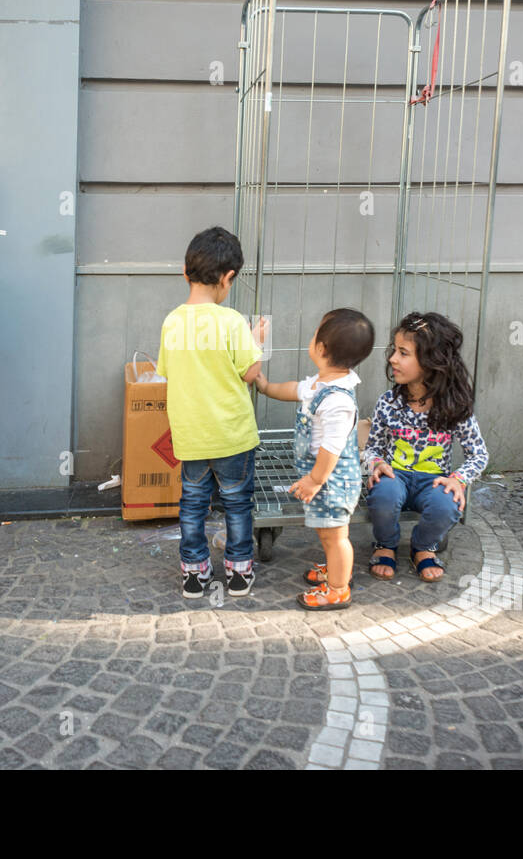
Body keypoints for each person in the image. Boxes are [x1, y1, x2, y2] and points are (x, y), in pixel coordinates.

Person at [156, 227, 267, 599]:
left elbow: (168, 371)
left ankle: (194, 572)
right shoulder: (232, 321)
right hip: (232, 436)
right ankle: (238, 571)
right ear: (227, 278)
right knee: (237, 504)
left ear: (185, 274)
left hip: (191, 436)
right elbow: (250, 374)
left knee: (192, 505)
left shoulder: (171, 321)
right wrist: (257, 343)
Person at [255, 309, 374, 610]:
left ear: (321, 348)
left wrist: (315, 480)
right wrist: (267, 387)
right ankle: (336, 570)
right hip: (324, 480)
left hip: (331, 481)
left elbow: (331, 448)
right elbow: (295, 389)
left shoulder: (338, 400)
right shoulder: (321, 384)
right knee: (327, 531)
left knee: (336, 536)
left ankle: (338, 588)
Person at [362, 311, 489, 582]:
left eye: (403, 353)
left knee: (448, 504)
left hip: (433, 483)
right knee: (382, 496)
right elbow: (371, 448)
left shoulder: (454, 407)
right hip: (394, 477)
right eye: (394, 350)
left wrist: (458, 479)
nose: (392, 359)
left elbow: (478, 454)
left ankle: (423, 547)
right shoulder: (388, 402)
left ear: (431, 362)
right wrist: (377, 464)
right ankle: (386, 544)